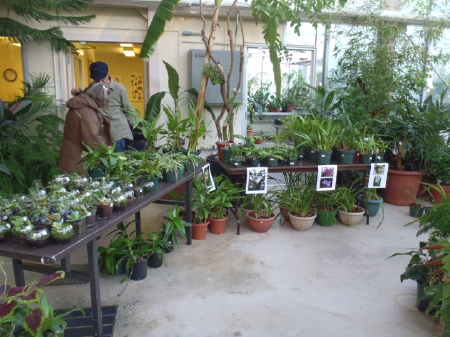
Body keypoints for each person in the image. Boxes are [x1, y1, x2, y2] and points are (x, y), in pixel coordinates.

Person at [59, 83, 112, 174]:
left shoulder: (79, 106)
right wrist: (106, 149)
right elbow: (92, 138)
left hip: (71, 156)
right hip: (79, 160)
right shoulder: (87, 112)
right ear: (99, 98)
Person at [89, 61, 135, 152]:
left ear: (107, 74)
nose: (99, 82)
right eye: (96, 80)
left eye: (102, 79)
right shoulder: (92, 88)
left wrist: (136, 130)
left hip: (117, 135)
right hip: (100, 135)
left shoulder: (119, 88)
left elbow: (128, 110)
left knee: (117, 163)